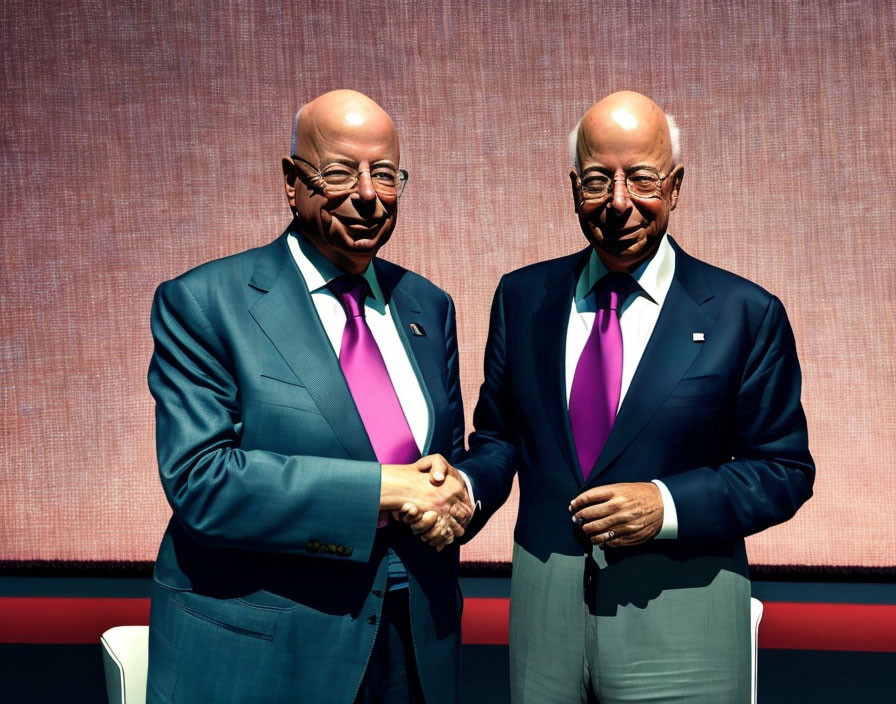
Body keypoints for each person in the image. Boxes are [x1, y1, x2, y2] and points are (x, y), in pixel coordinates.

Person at [457, 91, 815, 702]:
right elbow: (498, 439)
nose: (619, 202)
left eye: (641, 179)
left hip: (686, 624)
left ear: (675, 186)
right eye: (599, 179)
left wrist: (666, 505)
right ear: (574, 187)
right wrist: (461, 491)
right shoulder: (522, 298)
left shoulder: (744, 314)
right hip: (546, 628)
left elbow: (783, 470)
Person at [146, 89, 471, 704]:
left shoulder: (429, 307)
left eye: (385, 173)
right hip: (268, 651)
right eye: (340, 172)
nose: (368, 194)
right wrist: (386, 488)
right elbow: (201, 481)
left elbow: (442, 462)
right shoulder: (206, 302)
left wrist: (454, 488)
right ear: (292, 182)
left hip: (413, 644)